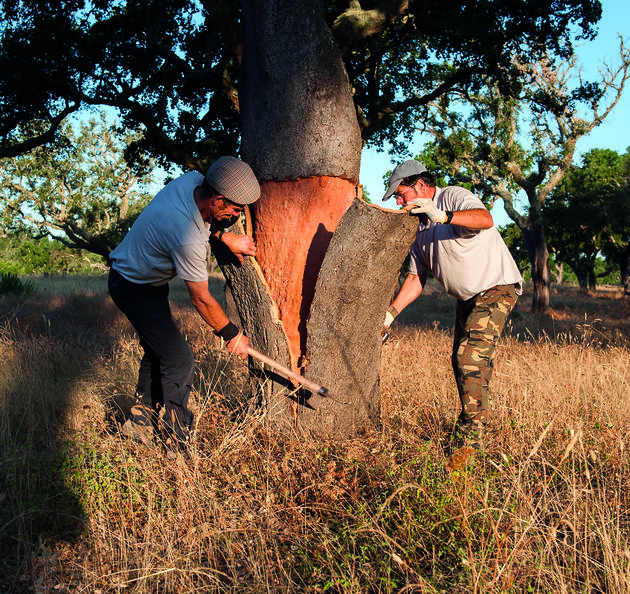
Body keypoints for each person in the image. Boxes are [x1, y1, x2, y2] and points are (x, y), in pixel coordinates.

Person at [108, 155, 260, 457]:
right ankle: (178, 445)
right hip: (132, 287)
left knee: (159, 352)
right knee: (179, 359)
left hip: (144, 283)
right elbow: (200, 299)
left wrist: (224, 237)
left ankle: (138, 426)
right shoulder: (186, 238)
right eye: (233, 209)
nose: (235, 215)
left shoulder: (192, 181)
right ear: (217, 199)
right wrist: (231, 334)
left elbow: (205, 222)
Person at [382, 160, 522, 452]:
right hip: (467, 297)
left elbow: (485, 219)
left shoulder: (451, 196)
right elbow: (415, 279)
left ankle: (470, 447)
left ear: (419, 185)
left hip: (496, 286)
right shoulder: (419, 230)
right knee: (466, 361)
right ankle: (473, 427)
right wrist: (389, 315)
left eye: (400, 193)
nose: (398, 201)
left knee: (468, 357)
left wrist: (441, 215)